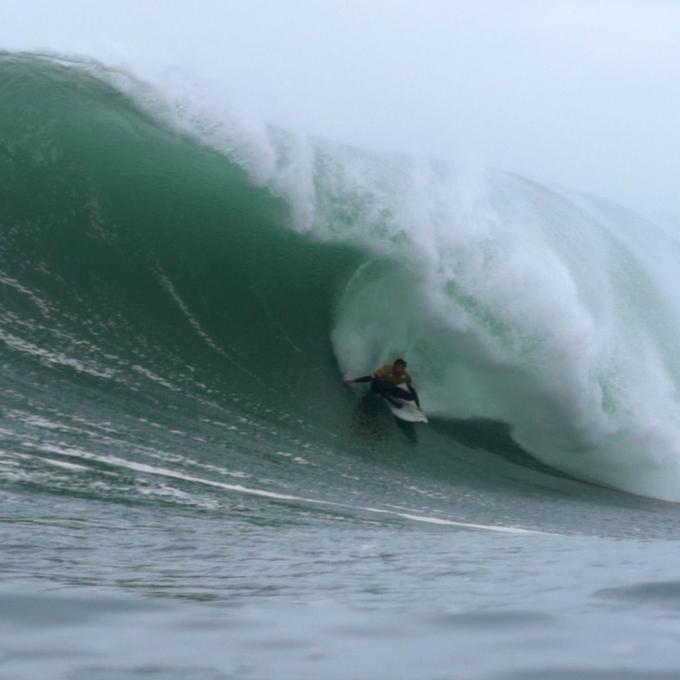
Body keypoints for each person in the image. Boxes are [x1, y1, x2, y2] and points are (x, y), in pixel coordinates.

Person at [344, 358, 421, 410]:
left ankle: (391, 397)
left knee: (411, 397)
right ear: (394, 366)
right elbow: (371, 378)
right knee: (377, 382)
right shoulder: (387, 369)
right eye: (398, 367)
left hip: (390, 388)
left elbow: (412, 391)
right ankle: (392, 401)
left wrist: (418, 406)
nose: (400, 370)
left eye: (402, 368)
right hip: (377, 386)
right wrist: (354, 381)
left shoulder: (406, 376)